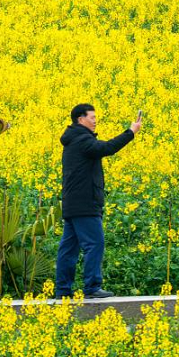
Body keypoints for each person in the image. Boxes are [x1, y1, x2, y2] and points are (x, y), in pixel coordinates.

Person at [55, 104, 142, 299]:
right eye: (92, 117)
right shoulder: (81, 140)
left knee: (69, 248)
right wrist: (131, 132)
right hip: (84, 203)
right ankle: (92, 287)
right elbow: (107, 148)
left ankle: (62, 291)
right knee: (95, 243)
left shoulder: (73, 139)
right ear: (80, 119)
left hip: (73, 203)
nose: (95, 121)